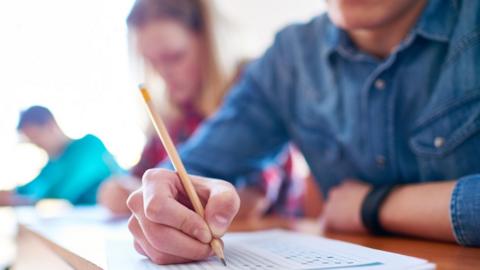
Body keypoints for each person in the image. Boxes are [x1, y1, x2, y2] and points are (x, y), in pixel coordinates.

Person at [126, 0, 480, 264]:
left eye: (173, 56)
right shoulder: (290, 58)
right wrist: (166, 203)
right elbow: (196, 168)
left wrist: (373, 206)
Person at [98, 0, 308, 217]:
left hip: (266, 239)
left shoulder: (252, 96)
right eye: (152, 62)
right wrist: (124, 190)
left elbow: (249, 201)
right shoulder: (174, 116)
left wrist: (153, 196)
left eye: (174, 57)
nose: (163, 73)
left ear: (210, 43)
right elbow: (141, 179)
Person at [0, 106, 121, 206]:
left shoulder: (89, 145)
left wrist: (15, 200)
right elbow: (29, 188)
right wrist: (10, 194)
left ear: (50, 126)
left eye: (36, 138)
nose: (37, 145)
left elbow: (59, 194)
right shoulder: (53, 163)